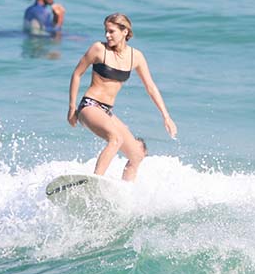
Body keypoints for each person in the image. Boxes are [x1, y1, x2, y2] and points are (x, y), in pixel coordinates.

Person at [67, 13, 177, 181]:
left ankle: (126, 193)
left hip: (106, 111)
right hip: (89, 106)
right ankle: (95, 182)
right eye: (105, 31)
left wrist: (166, 116)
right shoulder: (98, 49)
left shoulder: (136, 57)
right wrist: (72, 107)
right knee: (115, 138)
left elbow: (151, 87)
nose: (107, 35)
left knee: (137, 155)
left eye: (111, 31)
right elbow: (77, 74)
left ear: (124, 31)